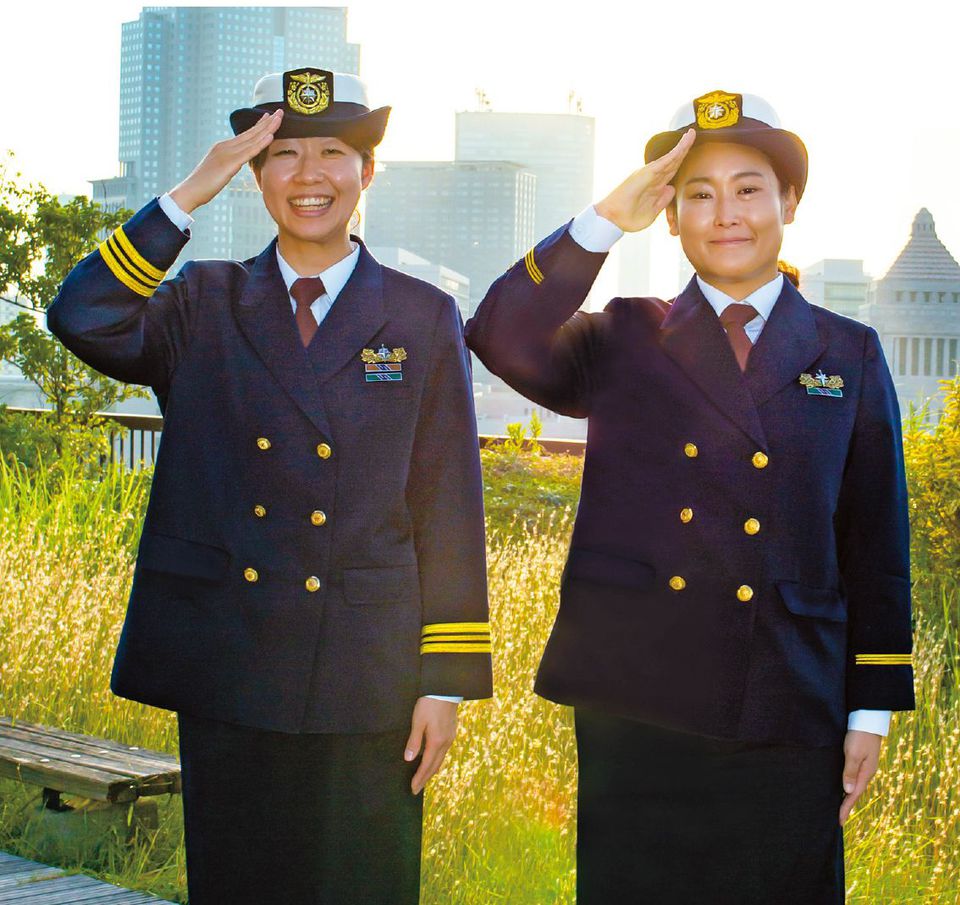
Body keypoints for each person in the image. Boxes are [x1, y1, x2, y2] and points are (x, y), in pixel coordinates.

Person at [48, 67, 492, 905]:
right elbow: (82, 315)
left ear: (368, 170)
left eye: (333, 153)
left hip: (371, 671)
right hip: (233, 659)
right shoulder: (204, 300)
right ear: (252, 175)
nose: (308, 175)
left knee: (363, 887)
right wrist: (189, 193)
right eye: (283, 155)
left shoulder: (422, 314)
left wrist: (445, 682)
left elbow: (448, 507)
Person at [464, 90, 914, 904]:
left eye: (748, 189)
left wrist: (871, 709)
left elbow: (875, 540)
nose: (726, 214)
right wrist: (606, 219)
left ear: (790, 203)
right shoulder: (624, 334)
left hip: (790, 692)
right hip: (638, 697)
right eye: (698, 194)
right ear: (669, 216)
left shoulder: (848, 351)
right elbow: (499, 333)